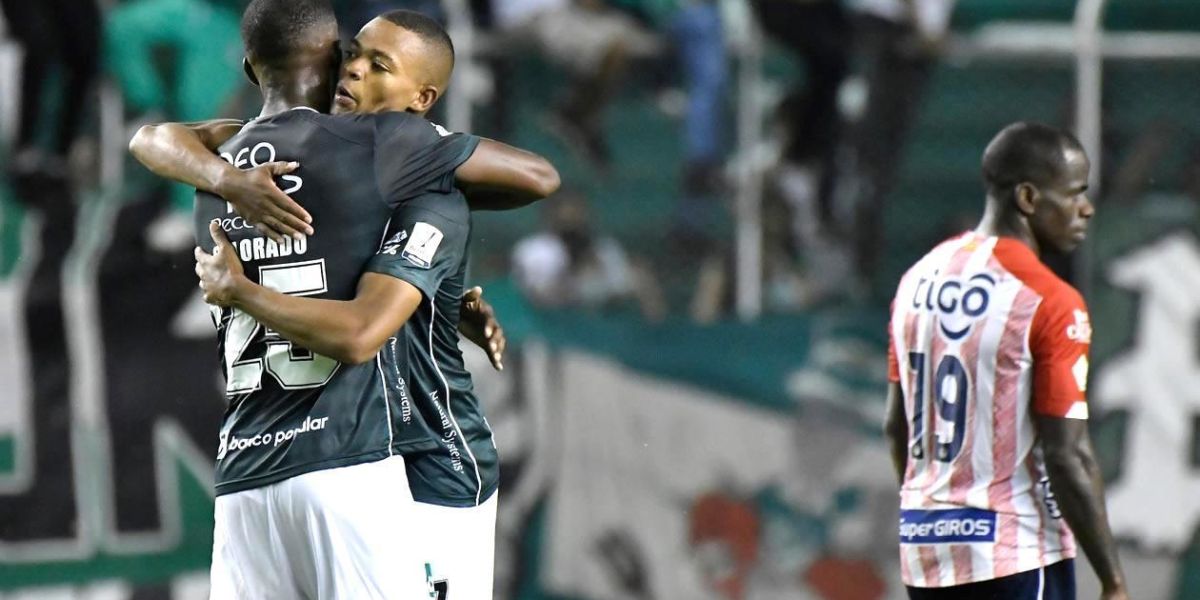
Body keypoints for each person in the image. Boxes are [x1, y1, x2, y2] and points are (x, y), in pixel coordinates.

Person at [130, 2, 558, 597]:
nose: (355, 70)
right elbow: (533, 179)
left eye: (376, 64)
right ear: (328, 60)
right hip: (358, 455)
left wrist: (441, 299)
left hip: (393, 457)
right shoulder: (383, 153)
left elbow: (151, 138)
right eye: (352, 54)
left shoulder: (219, 163)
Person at [883, 122, 1129, 600]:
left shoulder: (916, 280)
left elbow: (897, 426)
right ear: (1029, 199)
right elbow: (1069, 454)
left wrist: (935, 512)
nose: (1087, 208)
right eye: (1075, 193)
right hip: (1014, 553)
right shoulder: (1050, 301)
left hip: (925, 552)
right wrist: (1113, 579)